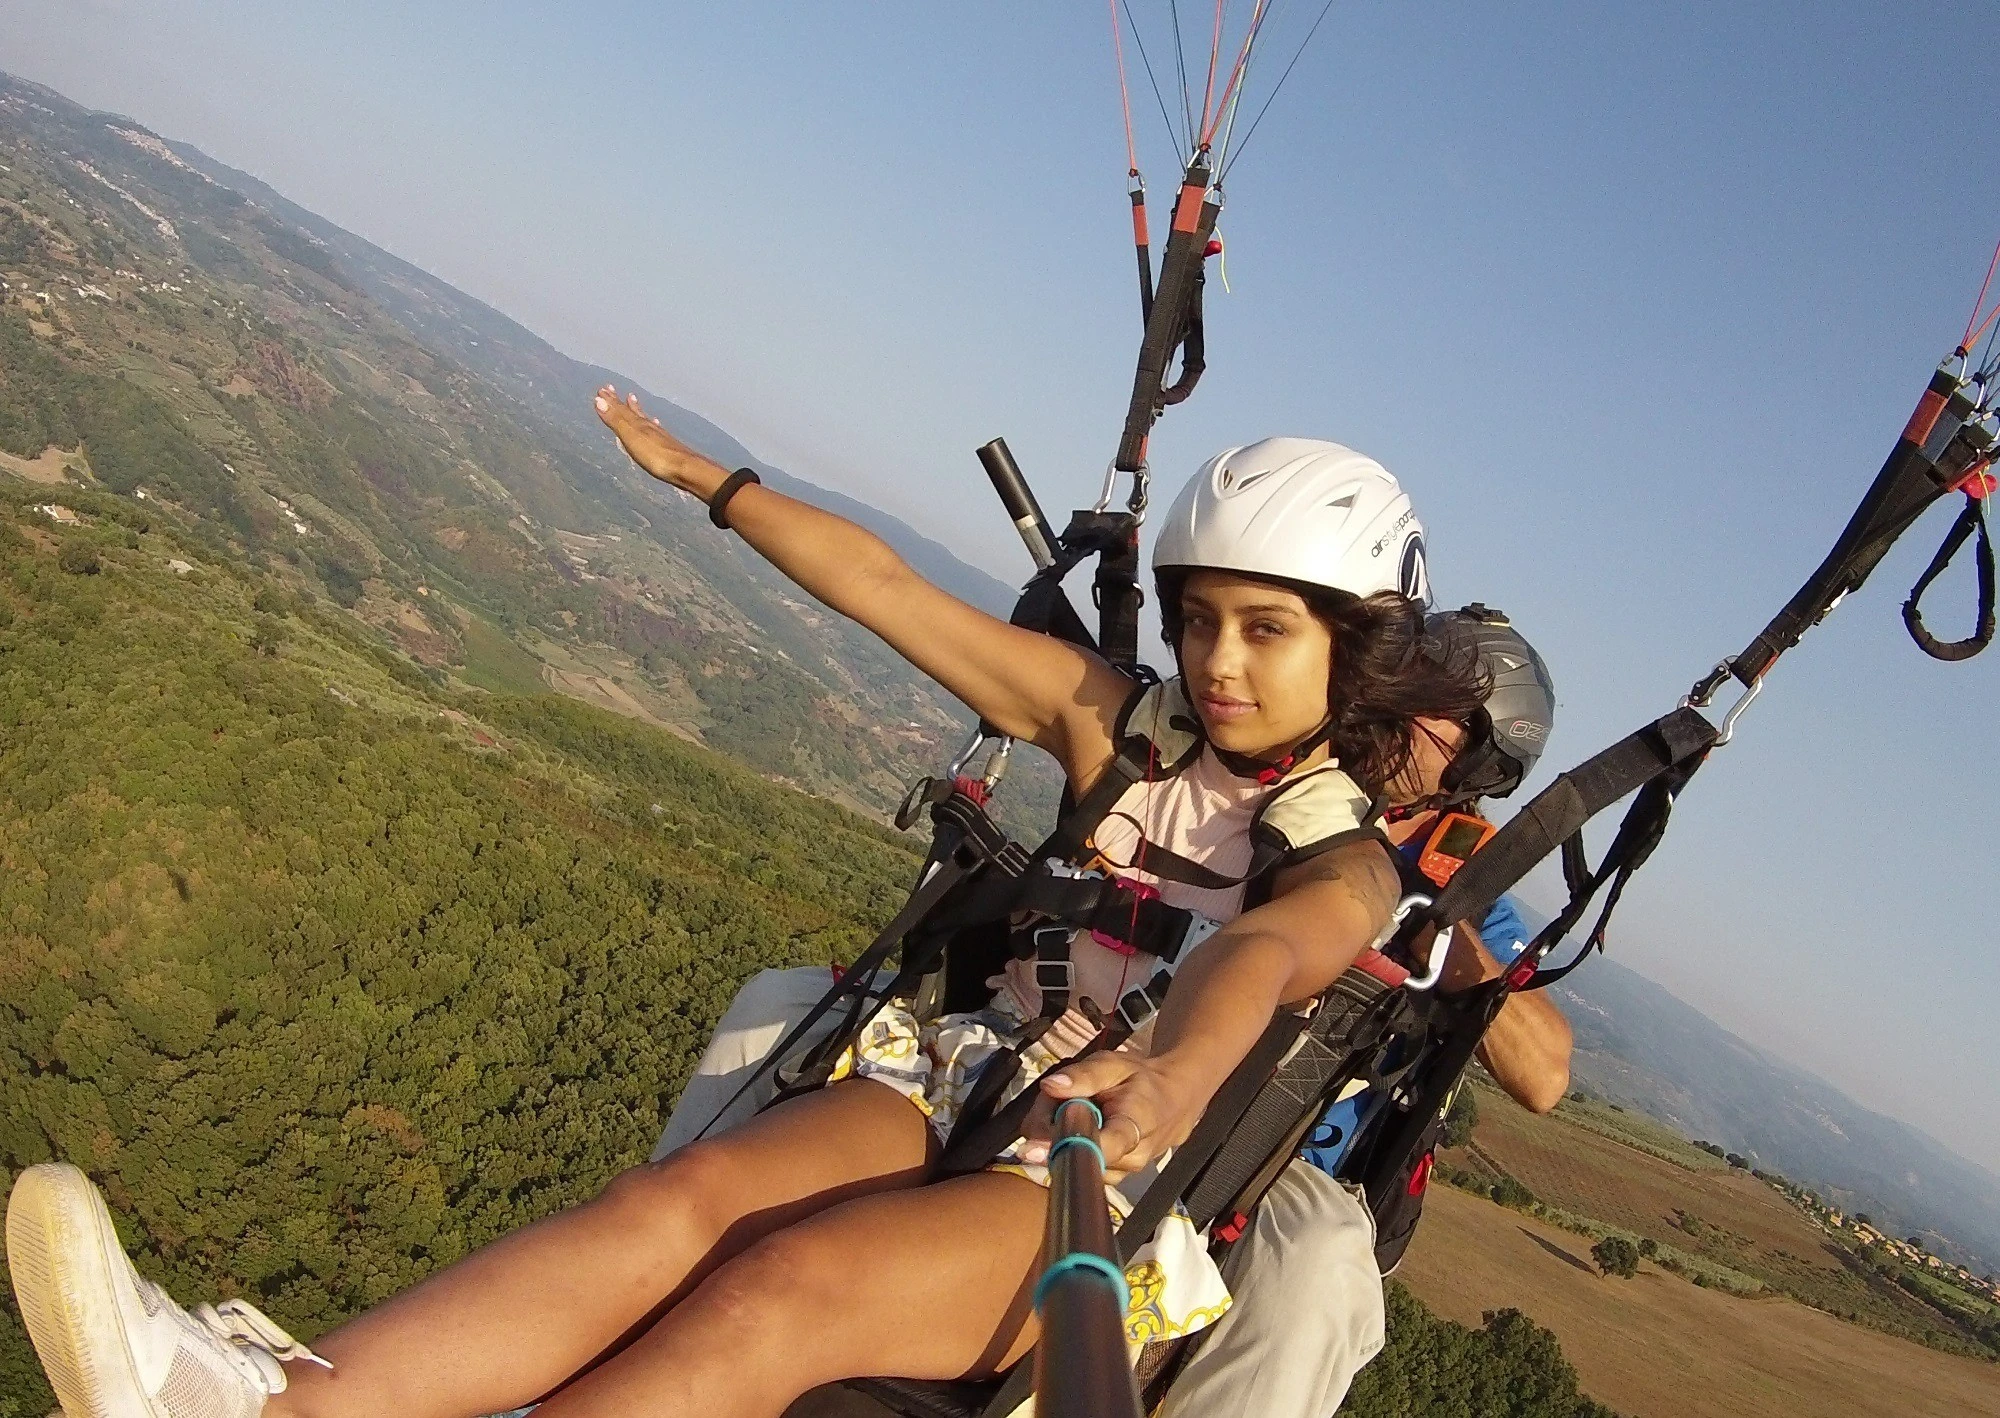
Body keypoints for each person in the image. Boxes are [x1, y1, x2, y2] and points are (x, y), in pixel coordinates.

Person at [5, 408, 1486, 1418]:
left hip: (1110, 1171)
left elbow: (1265, 951)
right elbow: (890, 591)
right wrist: (711, 484)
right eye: (1199, 616)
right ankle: (259, 1399)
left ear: (1358, 648)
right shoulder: (1123, 728)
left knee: (781, 1291)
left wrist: (1164, 1075)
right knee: (678, 1204)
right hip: (978, 1065)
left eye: (1267, 629)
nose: (1218, 659)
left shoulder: (1347, 859)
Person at [656, 607, 1571, 1418]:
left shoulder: (1463, 887)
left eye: (1430, 707)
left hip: (1268, 1147)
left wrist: (1455, 955)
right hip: (1087, 1042)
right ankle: (652, 1284)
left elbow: (1545, 1076)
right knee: (788, 1003)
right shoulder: (1287, 773)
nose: (1394, 709)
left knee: (1323, 1272)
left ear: (1481, 760)